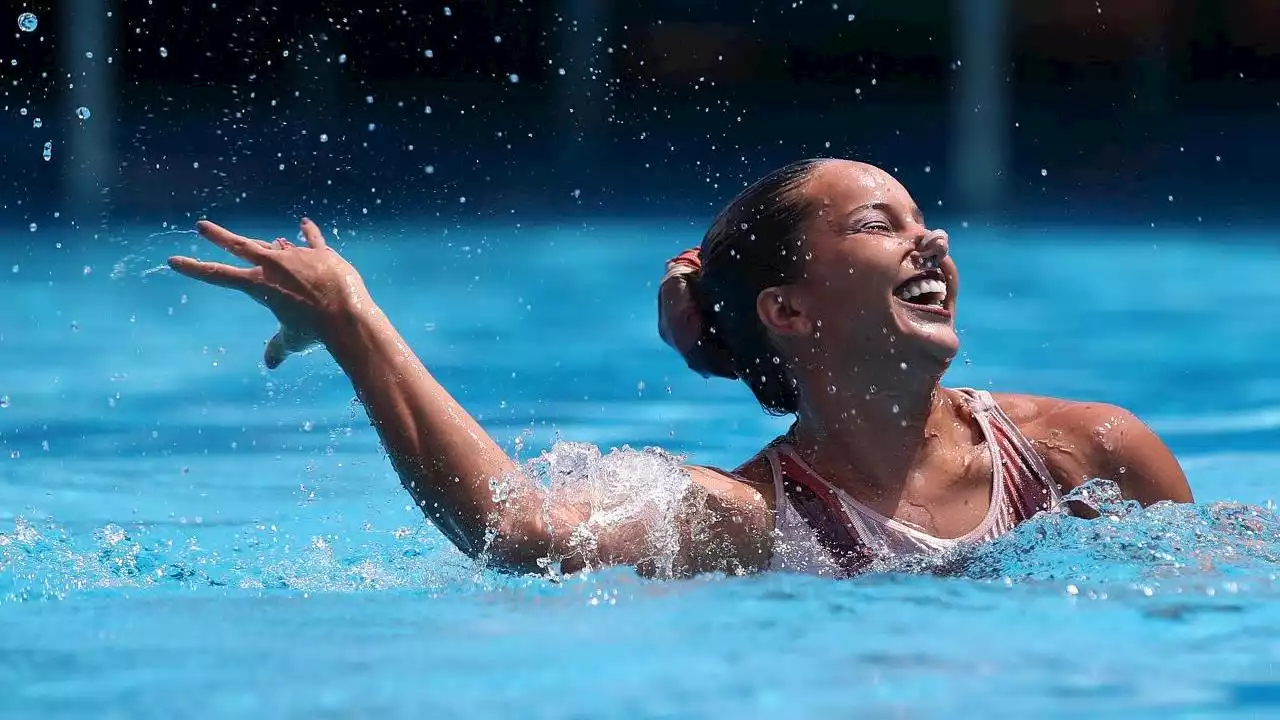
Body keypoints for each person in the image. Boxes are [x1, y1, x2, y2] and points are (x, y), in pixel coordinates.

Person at [168, 158, 1193, 579]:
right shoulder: (743, 521)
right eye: (883, 226)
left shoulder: (1082, 455)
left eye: (926, 224)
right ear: (786, 312)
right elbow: (519, 532)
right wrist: (352, 321)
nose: (931, 246)